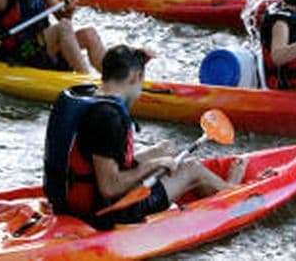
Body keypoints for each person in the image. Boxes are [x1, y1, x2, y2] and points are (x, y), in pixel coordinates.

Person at [43, 45, 248, 230]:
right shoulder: (108, 118)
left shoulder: (85, 96)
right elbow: (109, 188)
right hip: (106, 212)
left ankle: (203, 195)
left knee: (167, 148)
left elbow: (97, 160)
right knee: (192, 168)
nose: (140, 91)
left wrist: (157, 154)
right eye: (141, 82)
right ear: (135, 77)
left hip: (66, 201)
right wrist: (154, 165)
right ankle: (232, 193)